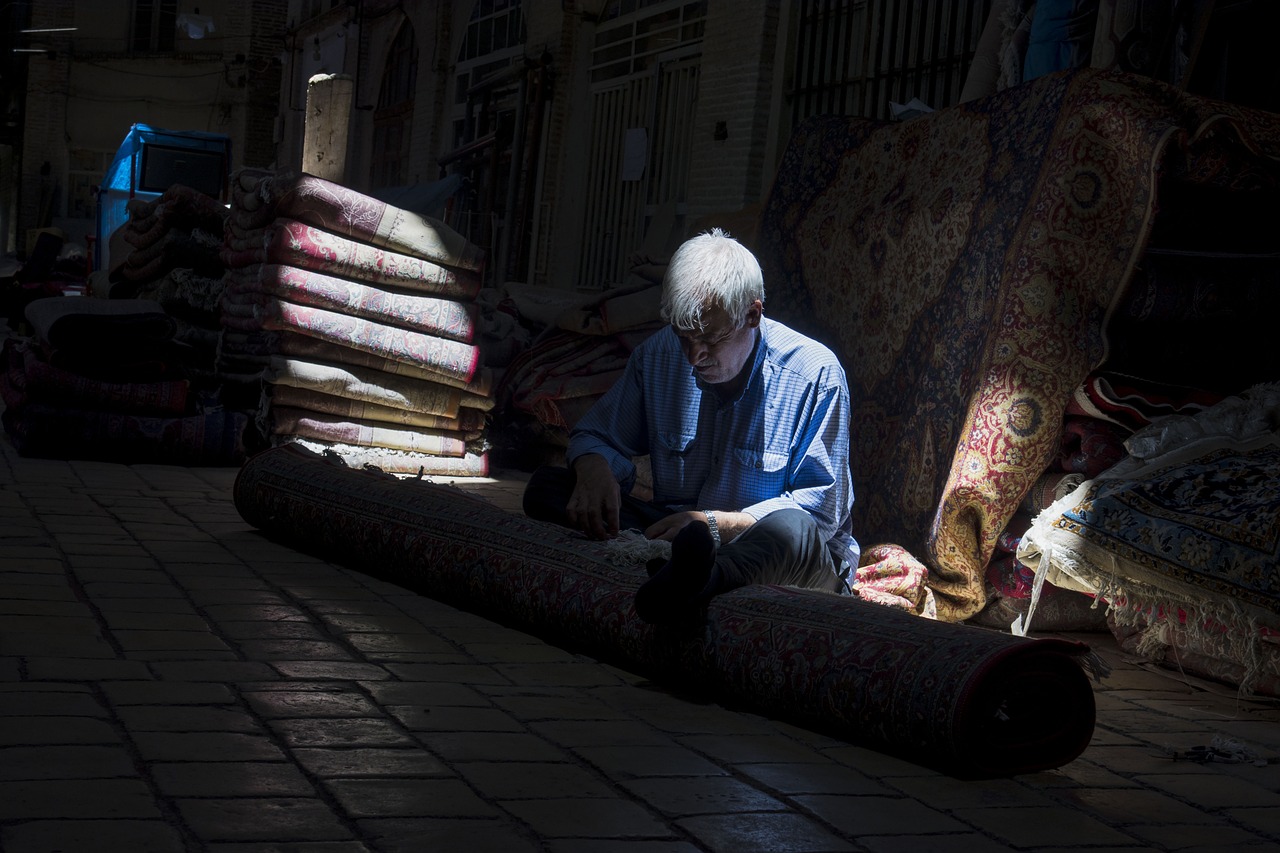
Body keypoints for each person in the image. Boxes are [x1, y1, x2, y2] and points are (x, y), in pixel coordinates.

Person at [523, 228, 858, 623]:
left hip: (772, 547)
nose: (693, 357)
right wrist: (594, 467)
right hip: (680, 535)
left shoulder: (815, 375)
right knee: (547, 488)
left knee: (793, 530)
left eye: (711, 340)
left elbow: (819, 515)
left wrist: (716, 526)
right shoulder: (659, 356)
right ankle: (686, 568)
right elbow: (597, 433)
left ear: (753, 314)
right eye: (684, 337)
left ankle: (704, 577)